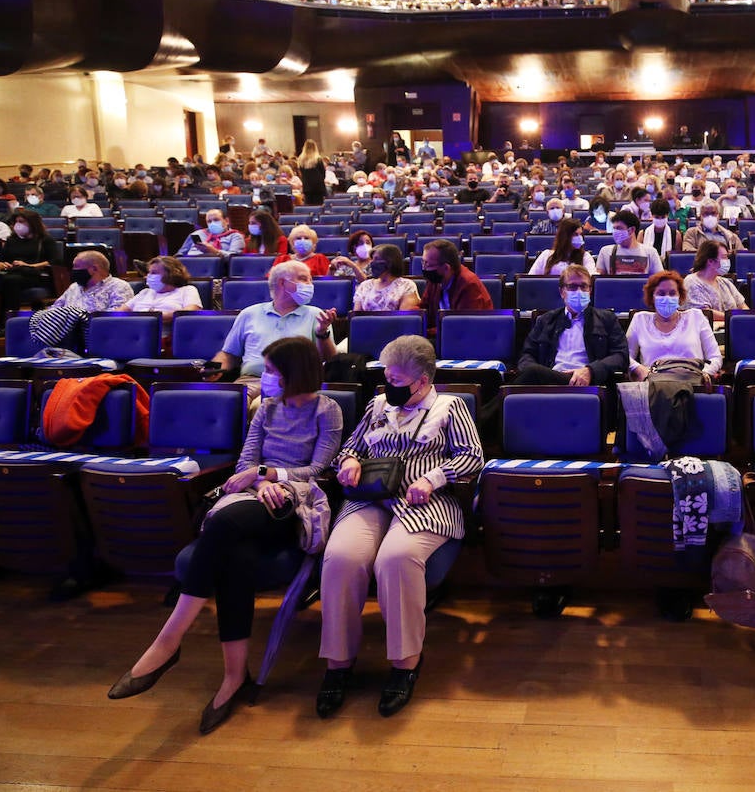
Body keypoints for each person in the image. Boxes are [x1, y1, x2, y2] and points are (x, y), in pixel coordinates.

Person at [108, 337, 341, 735]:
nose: (263, 377)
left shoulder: (327, 409)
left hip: (296, 498)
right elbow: (246, 459)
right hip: (252, 493)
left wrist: (270, 476)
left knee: (223, 525)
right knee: (236, 558)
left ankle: (168, 640)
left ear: (293, 373)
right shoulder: (265, 408)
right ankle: (235, 678)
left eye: (271, 371)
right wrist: (256, 476)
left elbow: (319, 469)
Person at [317, 335, 484, 719]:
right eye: (387, 377)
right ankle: (338, 663)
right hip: (372, 498)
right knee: (341, 557)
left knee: (396, 558)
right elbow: (351, 447)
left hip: (425, 502)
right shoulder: (378, 404)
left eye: (397, 379)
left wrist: (433, 479)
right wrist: (350, 462)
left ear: (422, 380)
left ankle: (405, 663)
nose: (388, 385)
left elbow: (472, 456)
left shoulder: (450, 406)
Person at [212, 260, 338, 399]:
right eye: (303, 279)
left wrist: (322, 334)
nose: (310, 285)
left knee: (260, 406)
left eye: (310, 280)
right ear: (282, 283)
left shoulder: (317, 315)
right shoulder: (249, 313)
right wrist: (213, 369)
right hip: (251, 381)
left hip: (295, 383)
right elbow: (229, 354)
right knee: (227, 402)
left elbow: (330, 359)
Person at [515, 265, 628, 386]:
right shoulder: (546, 320)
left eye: (584, 286)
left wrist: (591, 370)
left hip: (590, 382)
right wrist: (539, 373)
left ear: (590, 291)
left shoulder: (607, 319)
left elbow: (621, 356)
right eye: (572, 286)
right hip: (551, 379)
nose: (579, 291)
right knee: (530, 373)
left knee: (522, 382)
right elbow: (526, 355)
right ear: (562, 292)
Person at [626, 271, 722, 381]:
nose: (667, 298)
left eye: (672, 293)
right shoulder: (640, 319)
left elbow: (715, 357)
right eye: (661, 293)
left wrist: (704, 374)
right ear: (652, 297)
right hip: (654, 386)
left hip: (693, 383)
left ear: (680, 296)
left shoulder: (696, 317)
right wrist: (639, 369)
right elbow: (625, 356)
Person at [0, 208, 61, 310]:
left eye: (21, 222)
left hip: (35, 274)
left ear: (32, 223)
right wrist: (2, 264)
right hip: (13, 271)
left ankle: (11, 314)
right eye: (16, 222)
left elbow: (55, 261)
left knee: (10, 281)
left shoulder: (45, 240)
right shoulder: (12, 240)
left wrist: (29, 265)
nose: (17, 225)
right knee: (2, 280)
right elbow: (2, 258)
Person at [120, 256, 204, 327]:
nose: (147, 276)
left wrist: (151, 317)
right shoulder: (145, 292)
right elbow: (118, 313)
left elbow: (189, 313)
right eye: (149, 272)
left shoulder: (187, 290)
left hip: (168, 337)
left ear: (171, 274)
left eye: (154, 273)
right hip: (134, 332)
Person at [420, 239, 493, 317]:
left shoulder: (469, 285)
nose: (424, 268)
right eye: (423, 263)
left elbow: (463, 324)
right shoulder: (435, 281)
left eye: (428, 265)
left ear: (446, 268)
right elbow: (423, 309)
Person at [682, 241, 747, 323]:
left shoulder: (725, 282)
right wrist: (735, 319)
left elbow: (742, 305)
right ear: (710, 261)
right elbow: (704, 313)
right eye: (724, 257)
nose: (727, 261)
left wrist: (745, 318)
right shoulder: (691, 282)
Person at [352, 244, 422, 312]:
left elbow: (405, 318)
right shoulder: (364, 286)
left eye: (376, 259)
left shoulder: (407, 285)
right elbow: (356, 317)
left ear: (390, 262)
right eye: (372, 259)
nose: (372, 263)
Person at [596, 210, 664, 276]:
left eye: (619, 228)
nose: (615, 232)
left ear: (631, 230)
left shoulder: (651, 252)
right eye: (614, 228)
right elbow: (600, 282)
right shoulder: (605, 251)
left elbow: (659, 279)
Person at [529, 217, 596, 276]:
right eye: (575, 234)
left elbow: (590, 279)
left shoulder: (585, 256)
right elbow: (532, 279)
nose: (579, 238)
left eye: (580, 234)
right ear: (564, 236)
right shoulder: (546, 255)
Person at [178, 207, 244, 257]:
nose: (212, 223)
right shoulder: (196, 234)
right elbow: (180, 255)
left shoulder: (236, 236)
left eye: (216, 220)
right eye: (209, 221)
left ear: (226, 221)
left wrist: (213, 251)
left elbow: (234, 258)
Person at [296, 139, 327, 206]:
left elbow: (301, 173)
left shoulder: (301, 160)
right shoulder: (318, 159)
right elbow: (323, 173)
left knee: (309, 206)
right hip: (318, 187)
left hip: (307, 187)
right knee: (318, 206)